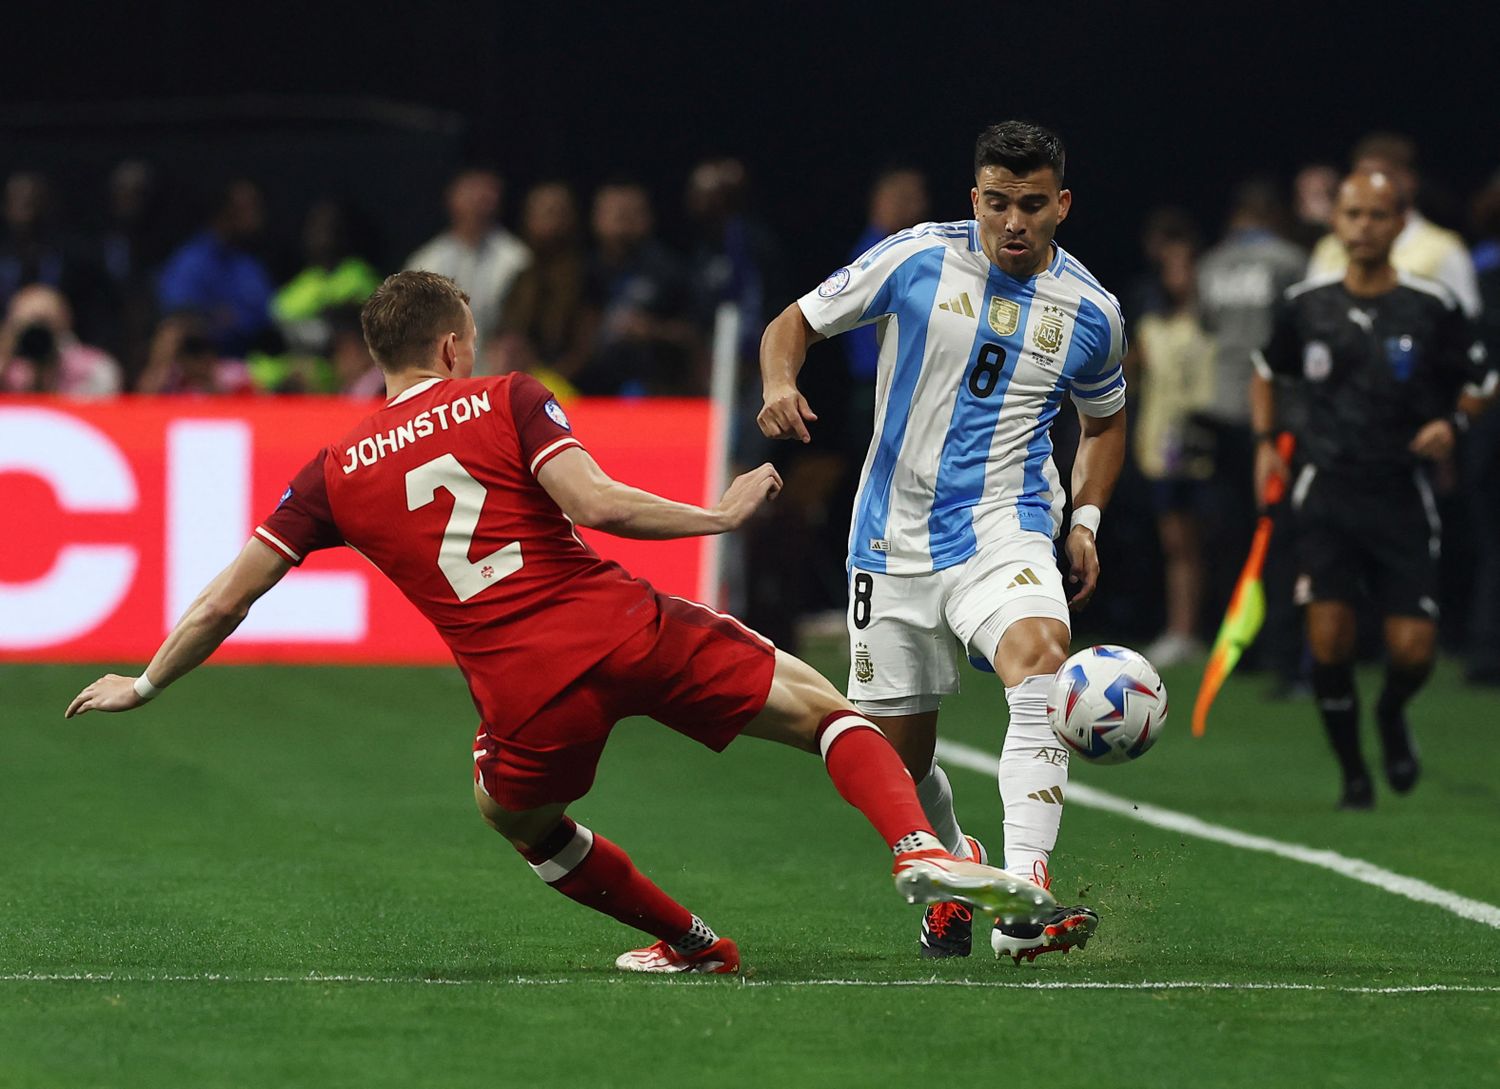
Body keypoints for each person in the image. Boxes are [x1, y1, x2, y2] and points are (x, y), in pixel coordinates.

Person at [64, 270, 1054, 976]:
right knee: (825, 710)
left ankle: (694, 943)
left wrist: (145, 681)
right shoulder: (506, 398)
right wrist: (714, 514)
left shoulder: (332, 472)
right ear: (453, 345)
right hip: (626, 626)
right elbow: (597, 505)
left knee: (516, 815)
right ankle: (913, 845)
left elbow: (229, 596)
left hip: (524, 695)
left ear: (379, 360)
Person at [758, 121, 1124, 962]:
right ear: (975, 201)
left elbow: (1104, 420)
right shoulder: (916, 257)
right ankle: (962, 863)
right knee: (896, 757)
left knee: (1039, 658)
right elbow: (793, 322)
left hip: (1007, 525)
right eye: (997, 203)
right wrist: (780, 381)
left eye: (1033, 205)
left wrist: (1086, 518)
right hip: (891, 539)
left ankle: (1026, 897)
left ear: (1061, 205)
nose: (1014, 223)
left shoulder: (1093, 313)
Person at [1250, 171, 1495, 809]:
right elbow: (1265, 371)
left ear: (1399, 222)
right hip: (1325, 491)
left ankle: (1390, 713)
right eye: (1353, 214)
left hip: (1400, 494)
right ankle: (1355, 772)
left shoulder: (1429, 304)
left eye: (1378, 216)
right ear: (1337, 221)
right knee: (1329, 644)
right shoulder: (1306, 303)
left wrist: (1453, 422)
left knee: (1412, 652)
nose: (1364, 227)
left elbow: (1481, 378)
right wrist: (1264, 445)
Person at [1130, 214, 1215, 666]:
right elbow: (1130, 377)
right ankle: (1180, 629)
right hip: (1162, 445)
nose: (1180, 273)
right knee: (1176, 543)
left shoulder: (1211, 321)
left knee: (1211, 539)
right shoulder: (1151, 324)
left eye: (1188, 264)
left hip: (1208, 444)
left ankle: (1207, 629)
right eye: (1172, 265)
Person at [1306, 134, 1481, 317]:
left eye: (1383, 175)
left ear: (1409, 180)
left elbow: (1465, 318)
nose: (1371, 185)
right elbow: (1310, 315)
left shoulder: (1443, 248)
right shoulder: (1328, 248)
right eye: (1362, 175)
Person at [577, 180, 699, 396]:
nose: (623, 222)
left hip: (655, 388)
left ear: (649, 218)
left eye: (631, 213)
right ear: (595, 218)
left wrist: (651, 330)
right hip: (586, 391)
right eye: (615, 213)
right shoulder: (581, 271)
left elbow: (694, 334)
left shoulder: (669, 270)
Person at [405, 168, 530, 356]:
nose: (479, 202)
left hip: (498, 373)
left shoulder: (517, 259)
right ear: (452, 199)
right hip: (443, 375)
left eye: (487, 194)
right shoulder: (426, 261)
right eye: (471, 193)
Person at [156, 179, 276, 358]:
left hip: (252, 362)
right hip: (202, 364)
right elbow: (177, 314)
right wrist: (215, 320)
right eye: (248, 209)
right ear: (226, 212)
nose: (256, 216)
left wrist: (232, 319)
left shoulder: (250, 264)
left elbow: (267, 315)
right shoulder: (193, 260)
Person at [0, 283, 122, 396]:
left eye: (44, 322)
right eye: (27, 326)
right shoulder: (6, 368)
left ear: (65, 322)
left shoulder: (95, 369)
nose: (36, 335)